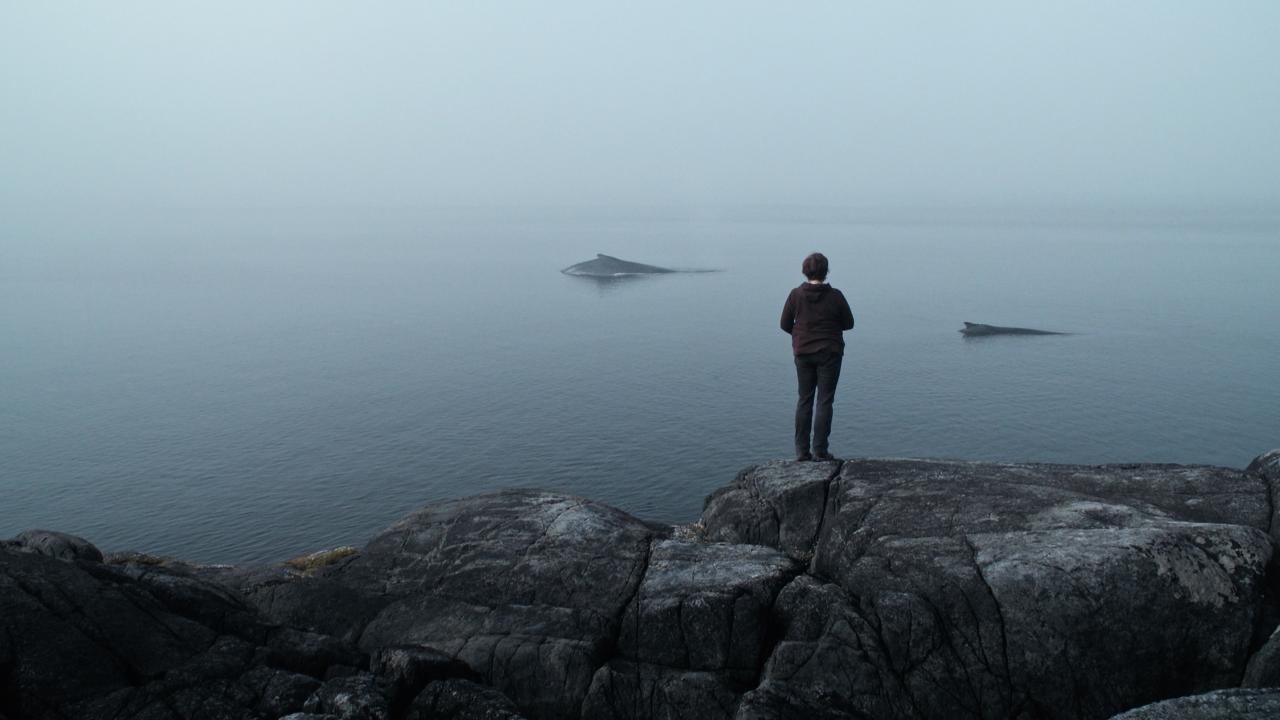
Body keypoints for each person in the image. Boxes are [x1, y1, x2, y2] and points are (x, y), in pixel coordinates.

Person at [780, 252, 855, 461]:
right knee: (824, 401)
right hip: (830, 353)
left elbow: (784, 324)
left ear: (805, 271)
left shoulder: (796, 295)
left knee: (804, 399)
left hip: (803, 353)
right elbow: (849, 323)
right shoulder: (836, 296)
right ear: (826, 271)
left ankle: (801, 452)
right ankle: (820, 450)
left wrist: (801, 335)